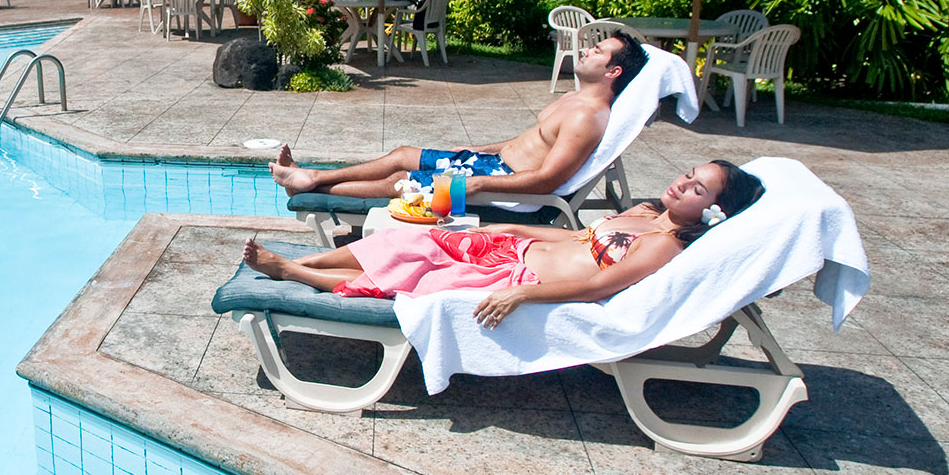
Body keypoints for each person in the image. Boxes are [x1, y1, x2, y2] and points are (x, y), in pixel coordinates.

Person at [241, 160, 766, 328]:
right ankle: (308, 258)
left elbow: (597, 284)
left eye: (697, 189)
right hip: (511, 252)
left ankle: (296, 273)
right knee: (411, 240)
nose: (681, 185)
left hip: (519, 281)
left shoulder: (664, 246)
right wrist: (510, 230)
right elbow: (577, 237)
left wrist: (520, 296)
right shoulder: (646, 213)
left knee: (416, 278)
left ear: (714, 212)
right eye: (688, 175)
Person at [268, 31, 648, 204]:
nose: (587, 51)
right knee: (403, 153)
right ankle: (313, 177)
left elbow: (549, 179)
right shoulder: (573, 99)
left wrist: (482, 185)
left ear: (613, 72)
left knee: (403, 180)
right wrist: (478, 149)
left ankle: (311, 186)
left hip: (502, 184)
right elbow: (530, 143)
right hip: (492, 164)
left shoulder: (588, 117)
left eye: (598, 51)